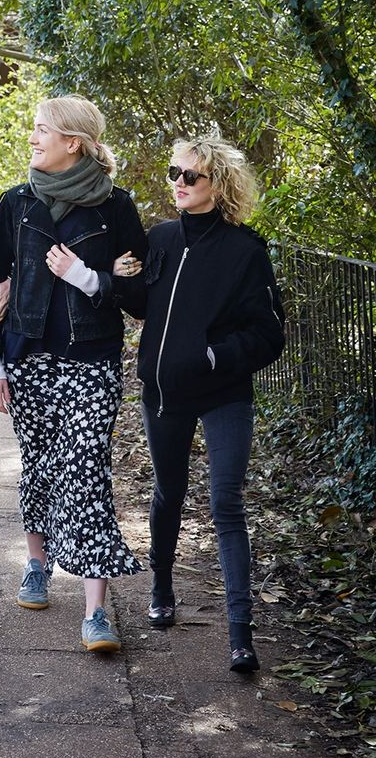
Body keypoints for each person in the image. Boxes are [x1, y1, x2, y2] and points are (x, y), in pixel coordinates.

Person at [0, 94, 147, 654]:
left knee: (86, 471)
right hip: (28, 361)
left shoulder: (114, 208)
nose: (32, 137)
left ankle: (96, 612)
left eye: (41, 130)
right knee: (39, 467)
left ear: (72, 143)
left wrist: (88, 277)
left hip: (91, 360)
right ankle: (36, 563)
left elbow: (140, 296)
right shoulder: (15, 204)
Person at [115, 137, 285, 675]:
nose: (179, 183)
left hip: (223, 392)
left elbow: (268, 333)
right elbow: (149, 307)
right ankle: (161, 587)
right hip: (164, 393)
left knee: (226, 503)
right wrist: (125, 284)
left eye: (192, 176)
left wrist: (215, 357)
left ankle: (240, 633)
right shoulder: (160, 238)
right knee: (169, 492)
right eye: (175, 173)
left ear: (220, 185)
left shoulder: (245, 250)